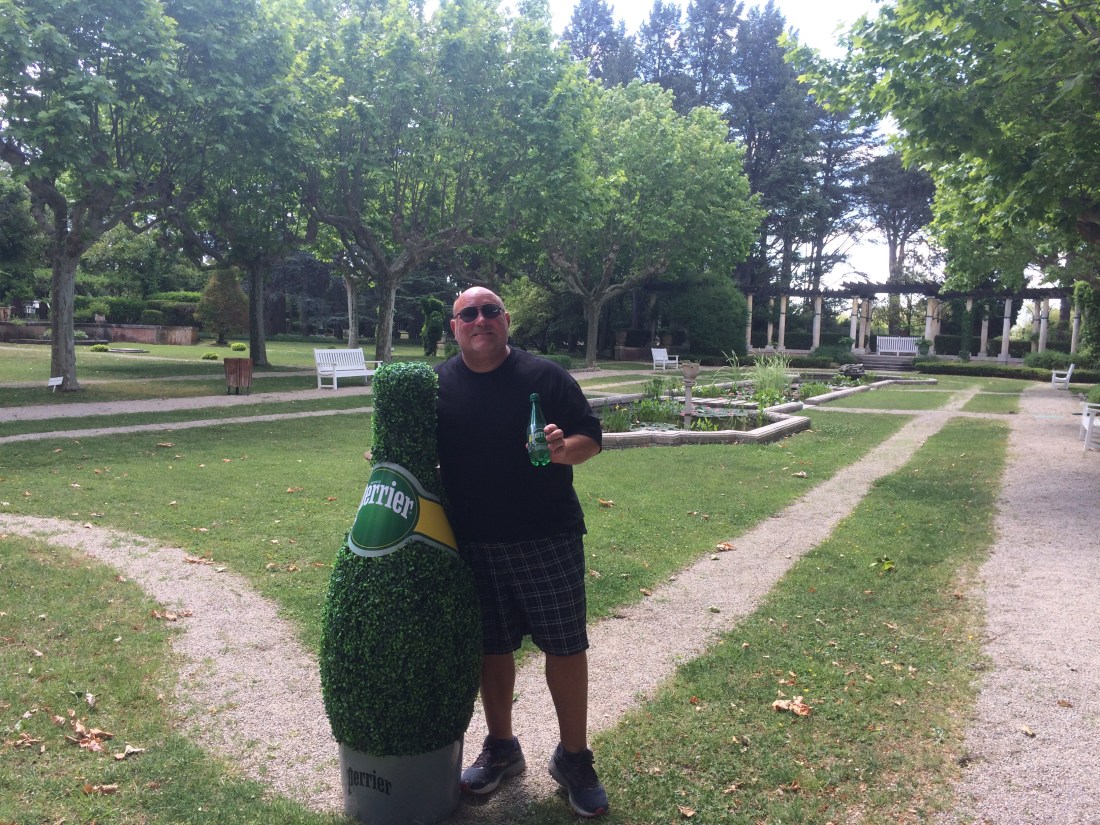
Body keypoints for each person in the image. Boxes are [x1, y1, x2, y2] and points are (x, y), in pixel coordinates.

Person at [434, 286, 608, 818]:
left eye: (490, 311)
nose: (480, 320)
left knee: (565, 647)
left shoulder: (545, 377)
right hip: (472, 542)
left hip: (546, 536)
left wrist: (561, 450)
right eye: (468, 313)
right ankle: (502, 748)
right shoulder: (438, 385)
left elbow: (591, 437)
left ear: (506, 320)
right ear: (454, 326)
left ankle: (574, 758)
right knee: (492, 648)